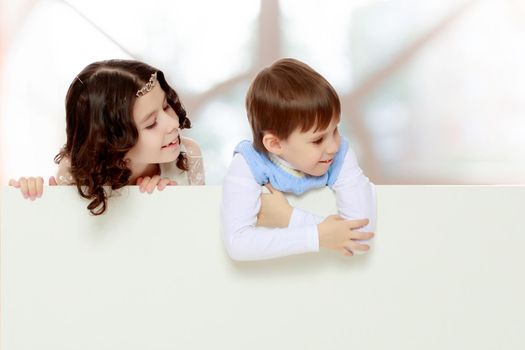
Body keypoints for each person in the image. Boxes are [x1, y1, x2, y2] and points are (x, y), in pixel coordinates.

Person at [221, 58, 376, 261]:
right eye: (318, 139)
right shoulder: (249, 163)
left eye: (335, 129)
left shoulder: (340, 154)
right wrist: (318, 235)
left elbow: (360, 235)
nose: (334, 146)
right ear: (275, 144)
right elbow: (238, 245)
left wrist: (289, 217)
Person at [9, 59, 204, 215]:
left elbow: (201, 226)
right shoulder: (75, 172)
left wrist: (172, 202)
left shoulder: (188, 155)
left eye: (166, 106)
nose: (173, 124)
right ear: (114, 141)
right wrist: (30, 194)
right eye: (151, 123)